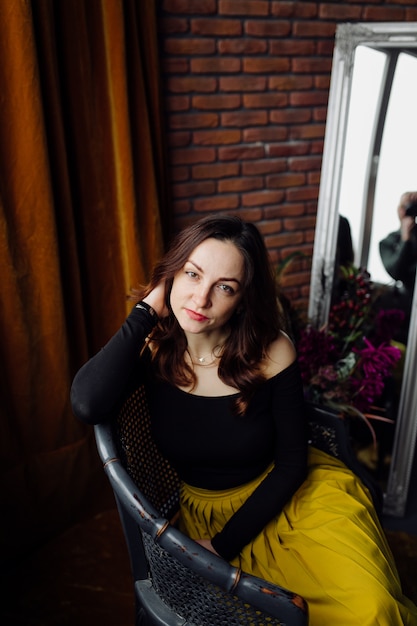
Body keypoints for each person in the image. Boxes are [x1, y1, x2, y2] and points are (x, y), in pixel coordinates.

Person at [71, 215, 417, 626]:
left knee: (370, 609)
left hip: (291, 501)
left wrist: (223, 545)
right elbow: (87, 403)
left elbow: (291, 464)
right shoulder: (153, 346)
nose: (200, 299)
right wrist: (147, 309)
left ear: (242, 299)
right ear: (171, 274)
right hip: (206, 513)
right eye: (191, 274)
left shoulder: (272, 351)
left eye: (225, 287)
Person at [379, 191, 417, 336]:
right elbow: (396, 272)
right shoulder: (388, 242)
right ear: (399, 210)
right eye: (407, 206)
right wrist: (405, 240)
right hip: (406, 310)